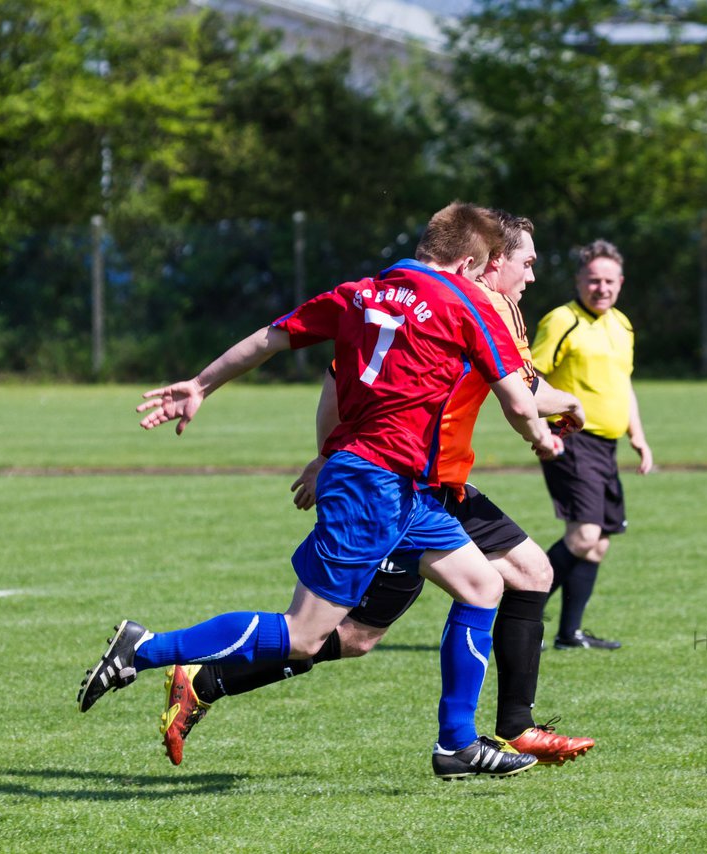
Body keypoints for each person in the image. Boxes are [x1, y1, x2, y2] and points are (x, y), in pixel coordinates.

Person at [76, 202, 562, 780]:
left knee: (482, 586)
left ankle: (456, 746)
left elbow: (270, 338)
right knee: (306, 636)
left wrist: (201, 384)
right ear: (467, 265)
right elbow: (517, 398)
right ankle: (145, 648)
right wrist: (542, 438)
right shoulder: (465, 304)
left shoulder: (359, 292)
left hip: (402, 488)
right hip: (375, 484)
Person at [531, 239, 654, 651]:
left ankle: (570, 634)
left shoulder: (622, 324)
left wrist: (637, 433)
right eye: (593, 280)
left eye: (609, 281)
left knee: (598, 542)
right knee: (583, 536)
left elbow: (623, 384)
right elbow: (529, 378)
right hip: (571, 439)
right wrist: (541, 430)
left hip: (607, 446)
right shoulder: (561, 320)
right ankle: (518, 612)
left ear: (621, 282)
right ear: (579, 280)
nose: (601, 288)